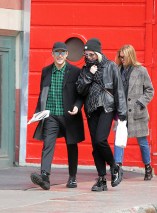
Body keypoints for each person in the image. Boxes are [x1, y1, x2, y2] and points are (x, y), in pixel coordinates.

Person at [30, 42, 85, 190]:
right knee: (48, 144)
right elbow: (43, 93)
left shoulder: (75, 71)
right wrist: (38, 112)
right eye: (57, 52)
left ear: (67, 55)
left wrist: (77, 107)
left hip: (69, 115)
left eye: (62, 52)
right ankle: (44, 177)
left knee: (71, 145)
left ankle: (72, 177)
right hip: (51, 115)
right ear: (52, 54)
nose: (59, 55)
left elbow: (81, 95)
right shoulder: (46, 71)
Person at [76, 38, 127, 192]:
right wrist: (89, 76)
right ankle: (102, 179)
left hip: (107, 107)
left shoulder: (110, 66)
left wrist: (122, 114)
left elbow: (119, 90)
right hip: (91, 110)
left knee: (100, 140)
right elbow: (80, 90)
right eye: (86, 54)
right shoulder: (85, 69)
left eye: (91, 54)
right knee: (95, 147)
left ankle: (114, 166)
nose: (88, 57)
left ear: (98, 53)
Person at [114, 44, 154, 181]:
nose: (122, 59)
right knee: (119, 140)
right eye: (120, 56)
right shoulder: (117, 70)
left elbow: (150, 90)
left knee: (142, 141)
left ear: (130, 56)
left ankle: (148, 166)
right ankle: (117, 168)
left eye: (124, 57)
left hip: (137, 112)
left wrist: (140, 103)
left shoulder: (141, 71)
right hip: (122, 111)